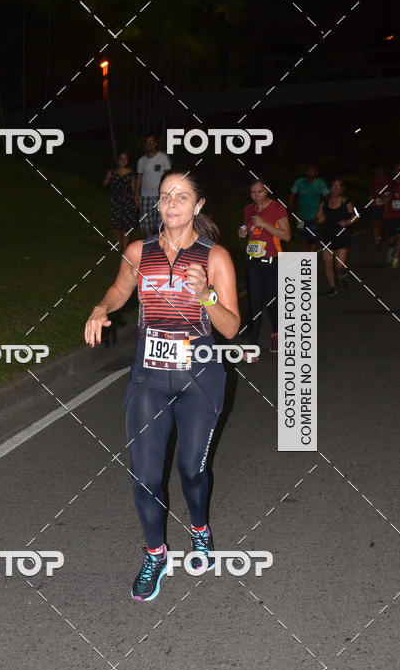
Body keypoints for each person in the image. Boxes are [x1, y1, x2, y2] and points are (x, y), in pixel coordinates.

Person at [85, 172, 240, 601]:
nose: (171, 203)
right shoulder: (139, 251)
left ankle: (200, 528)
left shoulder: (216, 257)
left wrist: (207, 294)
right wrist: (101, 307)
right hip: (149, 375)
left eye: (182, 196)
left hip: (200, 376)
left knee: (192, 469)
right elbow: (120, 288)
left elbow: (230, 327)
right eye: (166, 196)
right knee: (145, 475)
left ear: (198, 205)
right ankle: (156, 552)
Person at [239, 181, 290, 359]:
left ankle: (276, 335)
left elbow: (287, 235)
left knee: (272, 303)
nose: (256, 196)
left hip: (273, 260)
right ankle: (252, 346)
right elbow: (249, 229)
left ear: (267, 190)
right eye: (253, 192)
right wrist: (243, 231)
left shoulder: (277, 208)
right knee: (255, 304)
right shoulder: (248, 209)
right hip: (253, 260)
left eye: (260, 191)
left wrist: (265, 223)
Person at [315, 179, 358, 295]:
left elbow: (356, 215)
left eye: (338, 187)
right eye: (333, 187)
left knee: (339, 265)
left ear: (342, 189)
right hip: (327, 236)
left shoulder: (346, 202)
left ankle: (343, 274)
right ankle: (333, 287)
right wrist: (320, 219)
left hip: (342, 236)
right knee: (328, 263)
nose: (335, 189)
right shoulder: (325, 202)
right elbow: (318, 216)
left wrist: (347, 222)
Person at [135, 135, 171, 236]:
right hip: (145, 196)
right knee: (147, 224)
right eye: (147, 143)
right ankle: (151, 247)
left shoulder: (162, 158)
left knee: (162, 224)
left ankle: (162, 247)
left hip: (160, 196)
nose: (150, 145)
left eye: (152, 142)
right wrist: (136, 194)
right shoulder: (141, 161)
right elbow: (139, 177)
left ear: (155, 143)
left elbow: (168, 175)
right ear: (145, 146)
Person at [101, 151, 137, 252]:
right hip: (115, 201)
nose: (123, 161)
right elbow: (104, 184)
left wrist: (135, 200)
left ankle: (125, 247)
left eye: (125, 159)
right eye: (121, 158)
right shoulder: (112, 172)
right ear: (118, 160)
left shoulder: (131, 174)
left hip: (127, 201)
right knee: (115, 224)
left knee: (126, 225)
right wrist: (108, 177)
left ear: (128, 161)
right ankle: (119, 244)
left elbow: (134, 190)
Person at [289, 165, 329, 251]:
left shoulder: (320, 183)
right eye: (309, 171)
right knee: (303, 238)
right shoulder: (300, 182)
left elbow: (327, 197)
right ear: (305, 172)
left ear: (316, 173)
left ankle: (311, 258)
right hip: (301, 217)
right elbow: (292, 194)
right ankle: (305, 257)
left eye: (313, 172)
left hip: (314, 217)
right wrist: (291, 205)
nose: (311, 173)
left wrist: (322, 212)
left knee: (313, 239)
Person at [369, 167, 392, 248]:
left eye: (380, 172)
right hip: (376, 205)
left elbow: (391, 191)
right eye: (377, 173)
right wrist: (371, 199)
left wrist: (385, 196)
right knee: (376, 223)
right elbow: (371, 193)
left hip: (386, 205)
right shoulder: (373, 182)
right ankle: (377, 241)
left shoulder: (387, 180)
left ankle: (383, 235)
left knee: (383, 223)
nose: (378, 174)